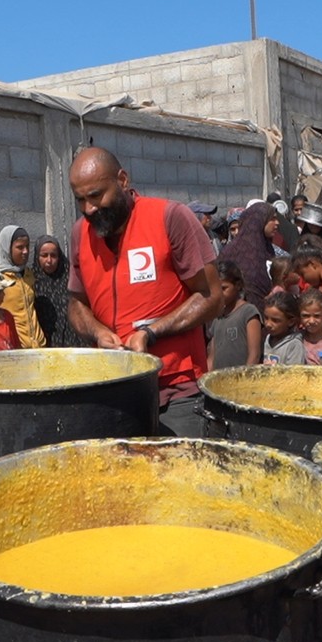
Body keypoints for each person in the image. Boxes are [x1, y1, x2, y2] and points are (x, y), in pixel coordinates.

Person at [66, 147, 220, 437]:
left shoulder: (169, 217)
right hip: (114, 390)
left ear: (123, 180)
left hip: (175, 390)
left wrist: (151, 333)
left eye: (96, 195)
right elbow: (76, 305)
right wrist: (98, 332)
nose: (89, 209)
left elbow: (211, 297)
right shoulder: (80, 234)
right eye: (80, 200)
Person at [218, 200, 282, 310]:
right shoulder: (232, 252)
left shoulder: (266, 249)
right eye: (272, 219)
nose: (277, 223)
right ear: (259, 221)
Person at [29, 235, 85, 347]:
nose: (49, 260)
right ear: (37, 257)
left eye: (53, 255)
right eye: (44, 255)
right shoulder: (31, 281)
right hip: (45, 343)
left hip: (74, 342)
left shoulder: (71, 278)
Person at [208, 261, 262, 369]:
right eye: (216, 289)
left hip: (241, 378)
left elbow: (254, 354)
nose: (219, 293)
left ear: (238, 285)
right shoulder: (217, 317)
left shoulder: (248, 312)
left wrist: (246, 377)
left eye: (224, 288)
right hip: (219, 378)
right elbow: (212, 356)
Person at [261, 291, 305, 365]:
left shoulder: (294, 345)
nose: (268, 324)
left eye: (275, 320)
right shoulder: (268, 338)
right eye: (266, 318)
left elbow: (294, 371)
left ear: (291, 322)